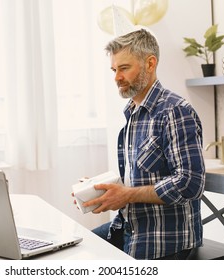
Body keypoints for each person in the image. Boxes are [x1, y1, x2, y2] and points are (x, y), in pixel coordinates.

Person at [82, 29, 205, 260]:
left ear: (150, 64)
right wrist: (100, 188)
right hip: (129, 227)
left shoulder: (174, 111)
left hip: (163, 240)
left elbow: (190, 183)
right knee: (76, 251)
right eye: (114, 69)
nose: (117, 77)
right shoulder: (133, 112)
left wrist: (126, 196)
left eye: (124, 68)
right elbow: (139, 177)